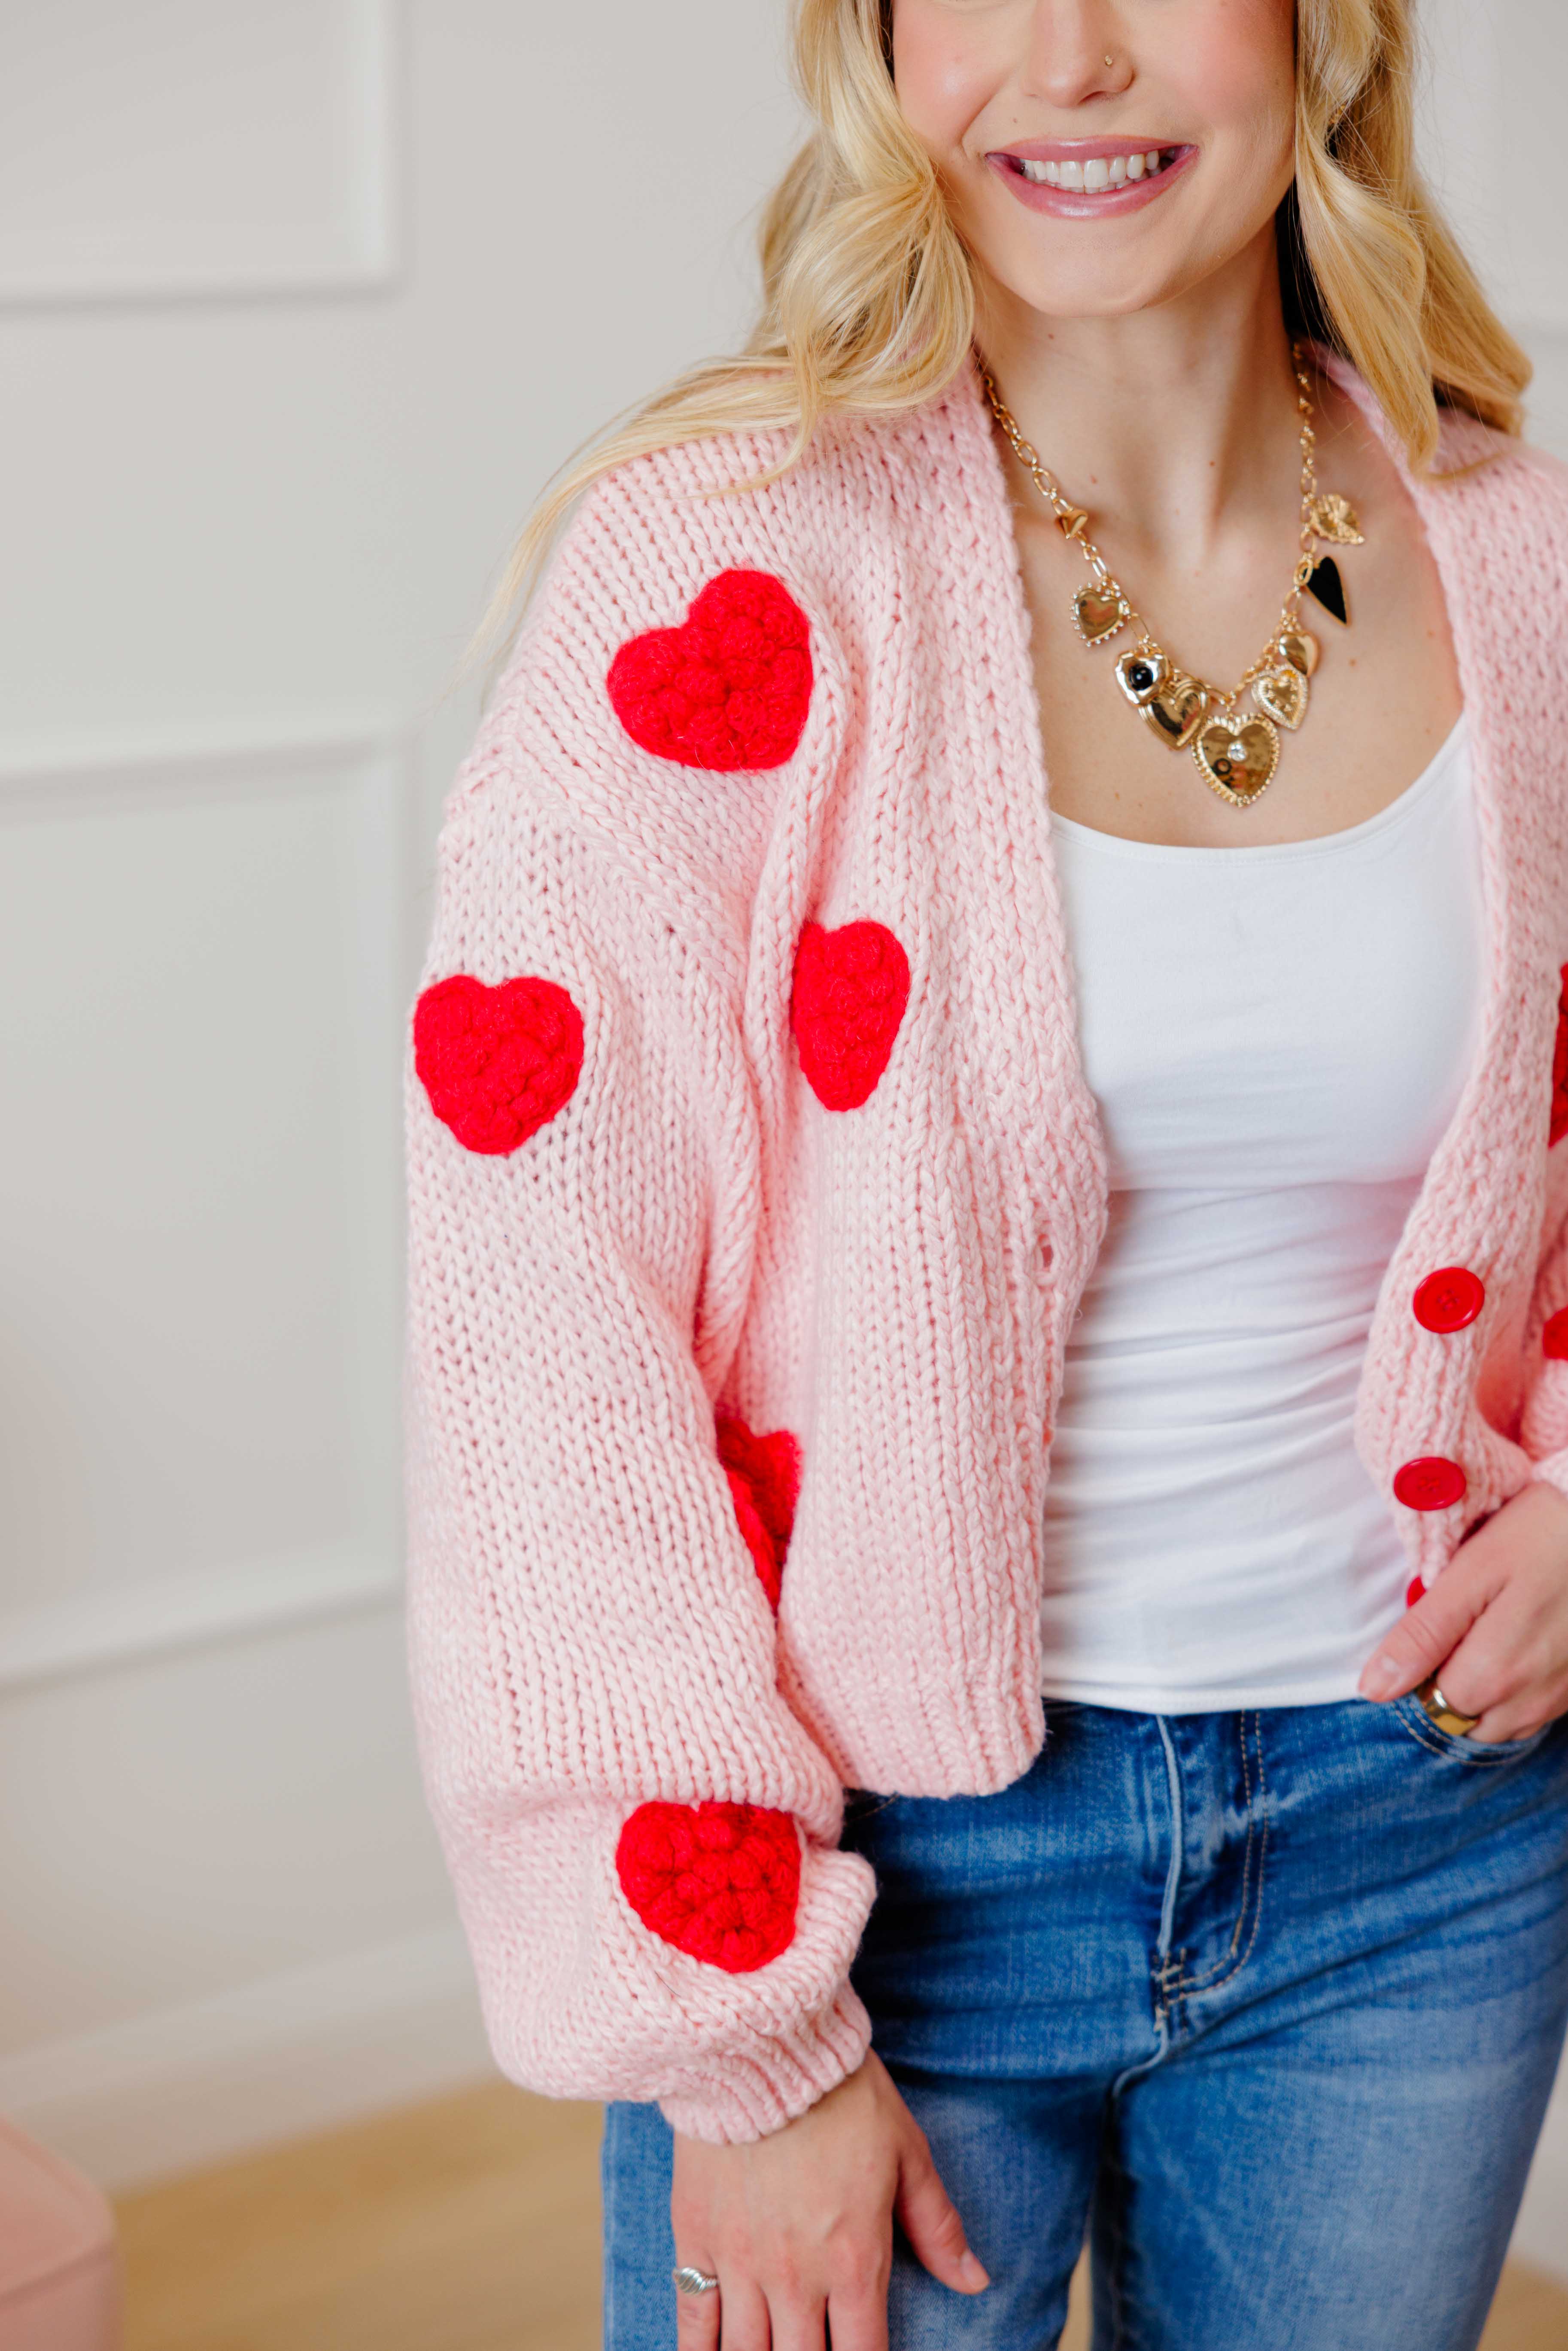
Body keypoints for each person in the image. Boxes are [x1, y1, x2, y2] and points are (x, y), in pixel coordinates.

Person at [403, 2, 1568, 2344]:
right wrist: (736, 2036)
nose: (1068, 57)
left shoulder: (1521, 554)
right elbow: (541, 1330)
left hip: (1426, 1846)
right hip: (880, 1891)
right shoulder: (722, 577)